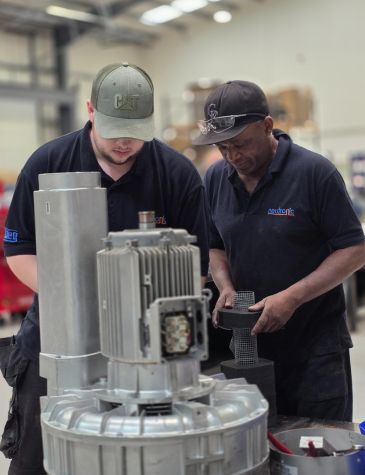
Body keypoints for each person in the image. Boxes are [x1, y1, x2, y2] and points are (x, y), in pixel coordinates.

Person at [0, 61, 209, 475]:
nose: (125, 143)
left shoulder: (177, 175)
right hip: (58, 342)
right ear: (91, 109)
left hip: (147, 351)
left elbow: (196, 267)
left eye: (135, 131)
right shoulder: (48, 162)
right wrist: (75, 298)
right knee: (39, 461)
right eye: (115, 129)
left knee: (141, 459)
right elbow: (19, 248)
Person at [193, 79, 365, 421]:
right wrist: (225, 286)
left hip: (315, 353)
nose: (233, 156)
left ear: (267, 125)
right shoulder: (215, 178)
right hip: (249, 349)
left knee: (316, 450)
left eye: (240, 144)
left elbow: (355, 249)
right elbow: (215, 247)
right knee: (258, 449)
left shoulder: (314, 173)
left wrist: (293, 297)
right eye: (224, 148)